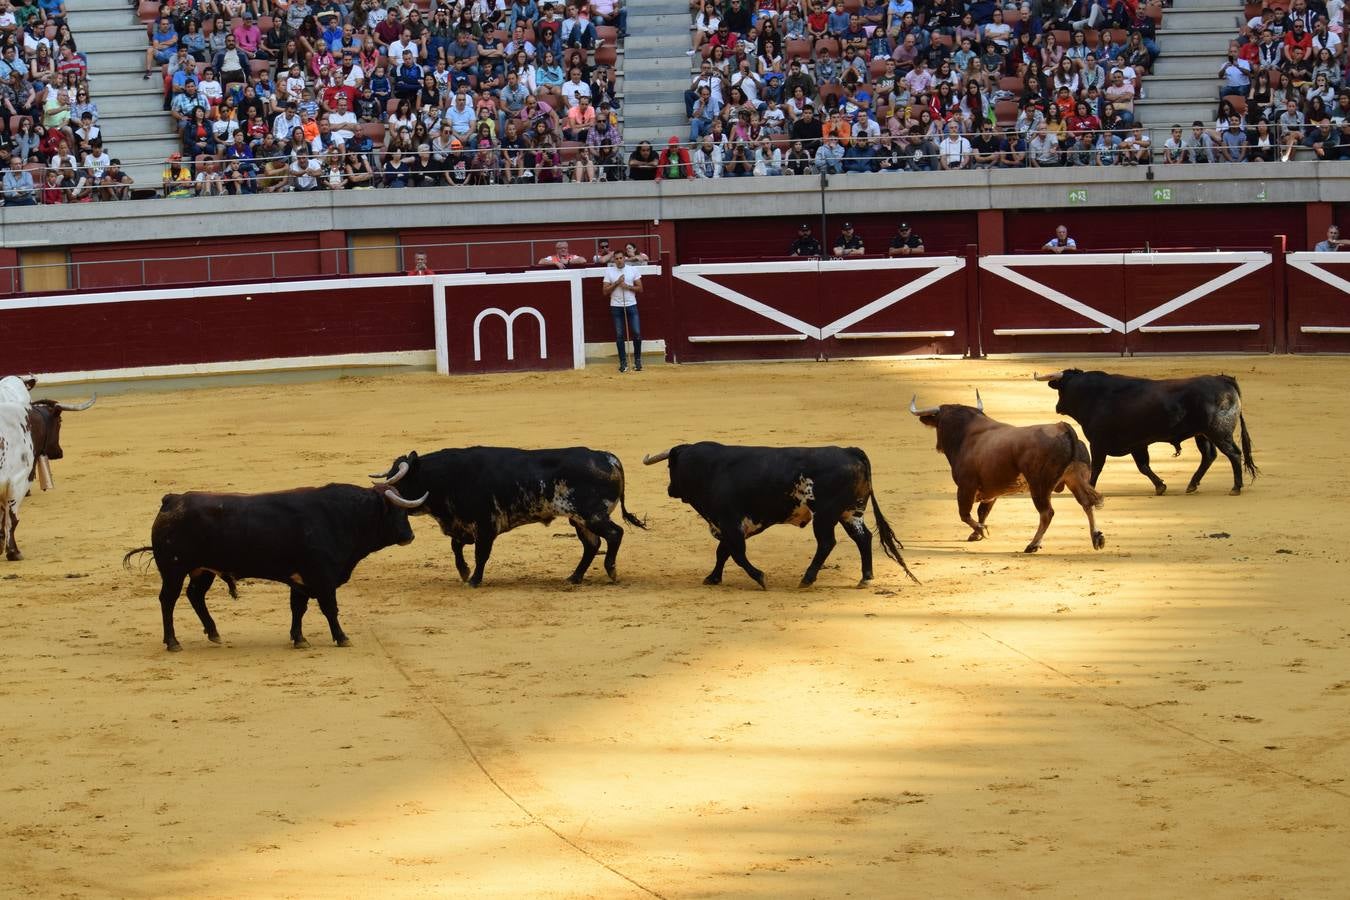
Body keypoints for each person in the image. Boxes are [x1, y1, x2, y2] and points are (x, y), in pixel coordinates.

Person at [603, 250, 643, 372]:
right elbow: (605, 291)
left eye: (621, 258)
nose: (619, 260)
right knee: (620, 335)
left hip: (631, 305)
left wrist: (627, 287)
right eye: (617, 258)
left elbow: (640, 289)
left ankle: (637, 361)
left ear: (624, 258)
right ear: (614, 260)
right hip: (616, 306)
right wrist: (617, 283)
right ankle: (623, 362)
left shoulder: (632, 270)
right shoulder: (609, 271)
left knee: (636, 333)